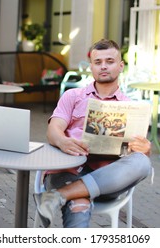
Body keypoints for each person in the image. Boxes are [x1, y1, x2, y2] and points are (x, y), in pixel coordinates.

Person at [34, 38, 151, 228]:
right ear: (91, 67)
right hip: (67, 171)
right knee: (79, 205)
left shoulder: (131, 107)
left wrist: (144, 149)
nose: (103, 66)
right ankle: (67, 194)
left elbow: (135, 153)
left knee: (143, 162)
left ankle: (56, 197)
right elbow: (53, 129)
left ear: (121, 66)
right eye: (98, 62)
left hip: (106, 180)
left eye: (110, 61)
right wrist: (63, 141)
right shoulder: (72, 96)